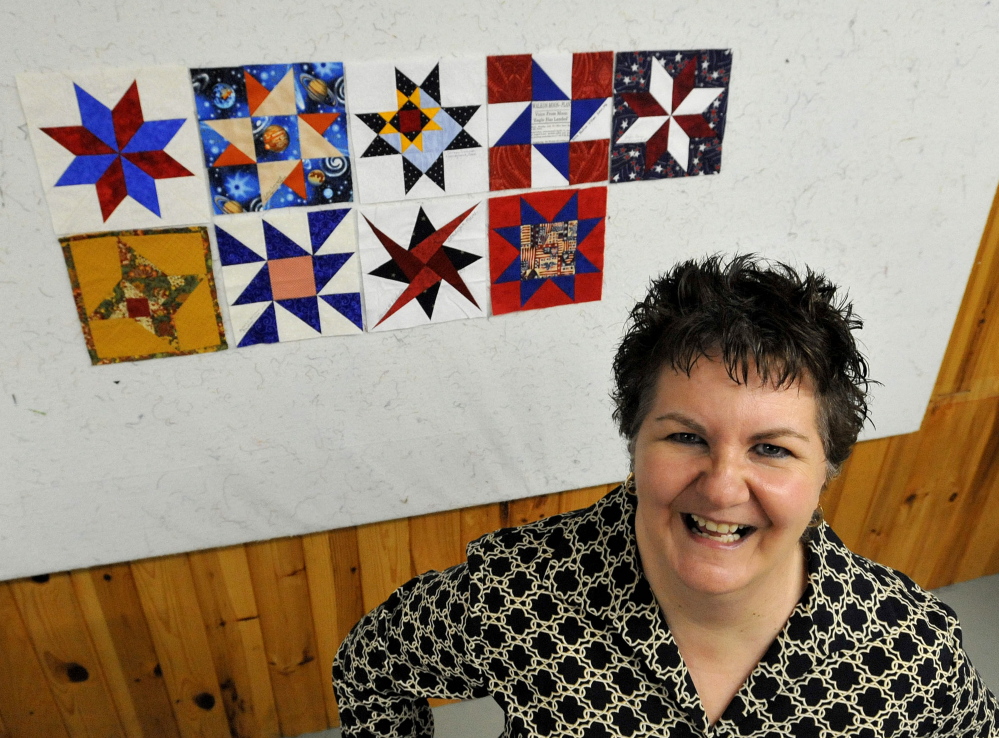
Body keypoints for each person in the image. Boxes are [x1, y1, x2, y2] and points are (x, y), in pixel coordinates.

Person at [334, 255, 998, 737]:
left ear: (826, 467)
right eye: (685, 436)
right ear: (633, 438)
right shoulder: (514, 591)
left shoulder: (910, 649)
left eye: (770, 448)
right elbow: (371, 667)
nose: (720, 486)